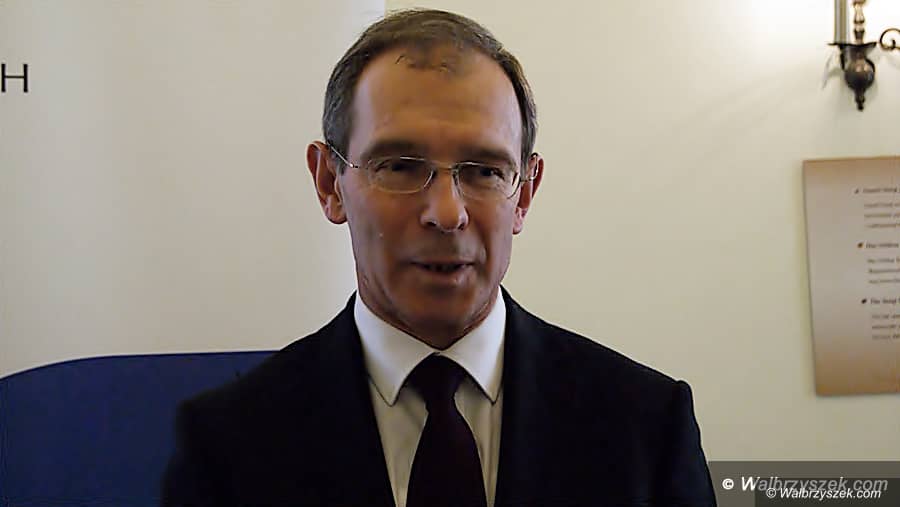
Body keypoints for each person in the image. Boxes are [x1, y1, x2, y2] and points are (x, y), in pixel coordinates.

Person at [161, 8, 716, 507]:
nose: (447, 213)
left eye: (485, 171)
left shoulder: (647, 426)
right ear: (330, 183)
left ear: (524, 193)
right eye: (400, 166)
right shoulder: (226, 444)